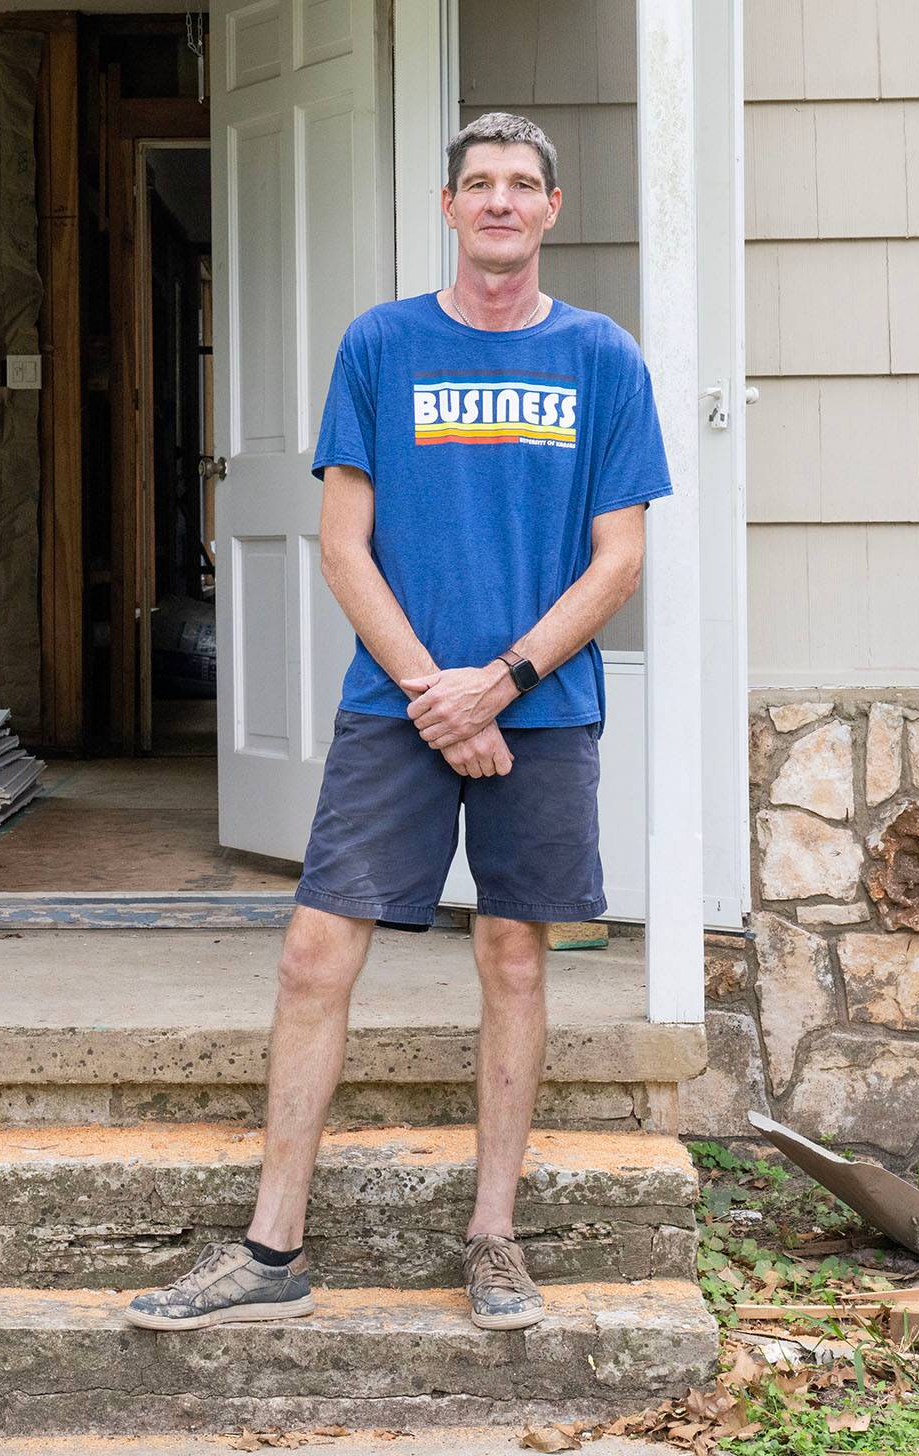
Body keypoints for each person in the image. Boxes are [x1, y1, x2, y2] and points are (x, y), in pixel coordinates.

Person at [126, 110, 670, 1335]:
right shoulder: (383, 343)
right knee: (314, 955)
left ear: (550, 208)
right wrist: (440, 689)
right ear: (448, 206)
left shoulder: (603, 358)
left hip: (543, 708)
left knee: (514, 959)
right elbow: (341, 541)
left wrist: (503, 685)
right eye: (477, 183)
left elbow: (618, 557)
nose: (498, 202)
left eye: (521, 185)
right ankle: (272, 1248)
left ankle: (494, 1235)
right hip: (397, 702)